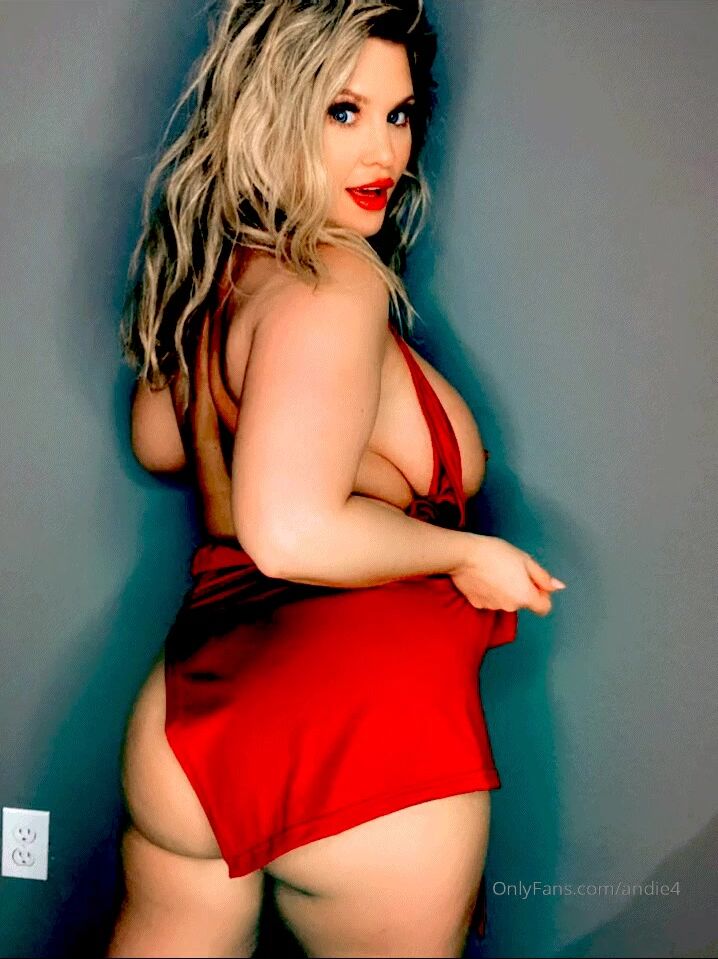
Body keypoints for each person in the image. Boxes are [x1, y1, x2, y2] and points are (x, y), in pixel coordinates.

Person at [108, 1, 566, 956]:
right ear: (271, 111)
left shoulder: (215, 279)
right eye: (344, 111)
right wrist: (466, 553)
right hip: (363, 739)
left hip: (192, 719)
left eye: (399, 115)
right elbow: (289, 532)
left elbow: (161, 445)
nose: (384, 151)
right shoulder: (335, 281)